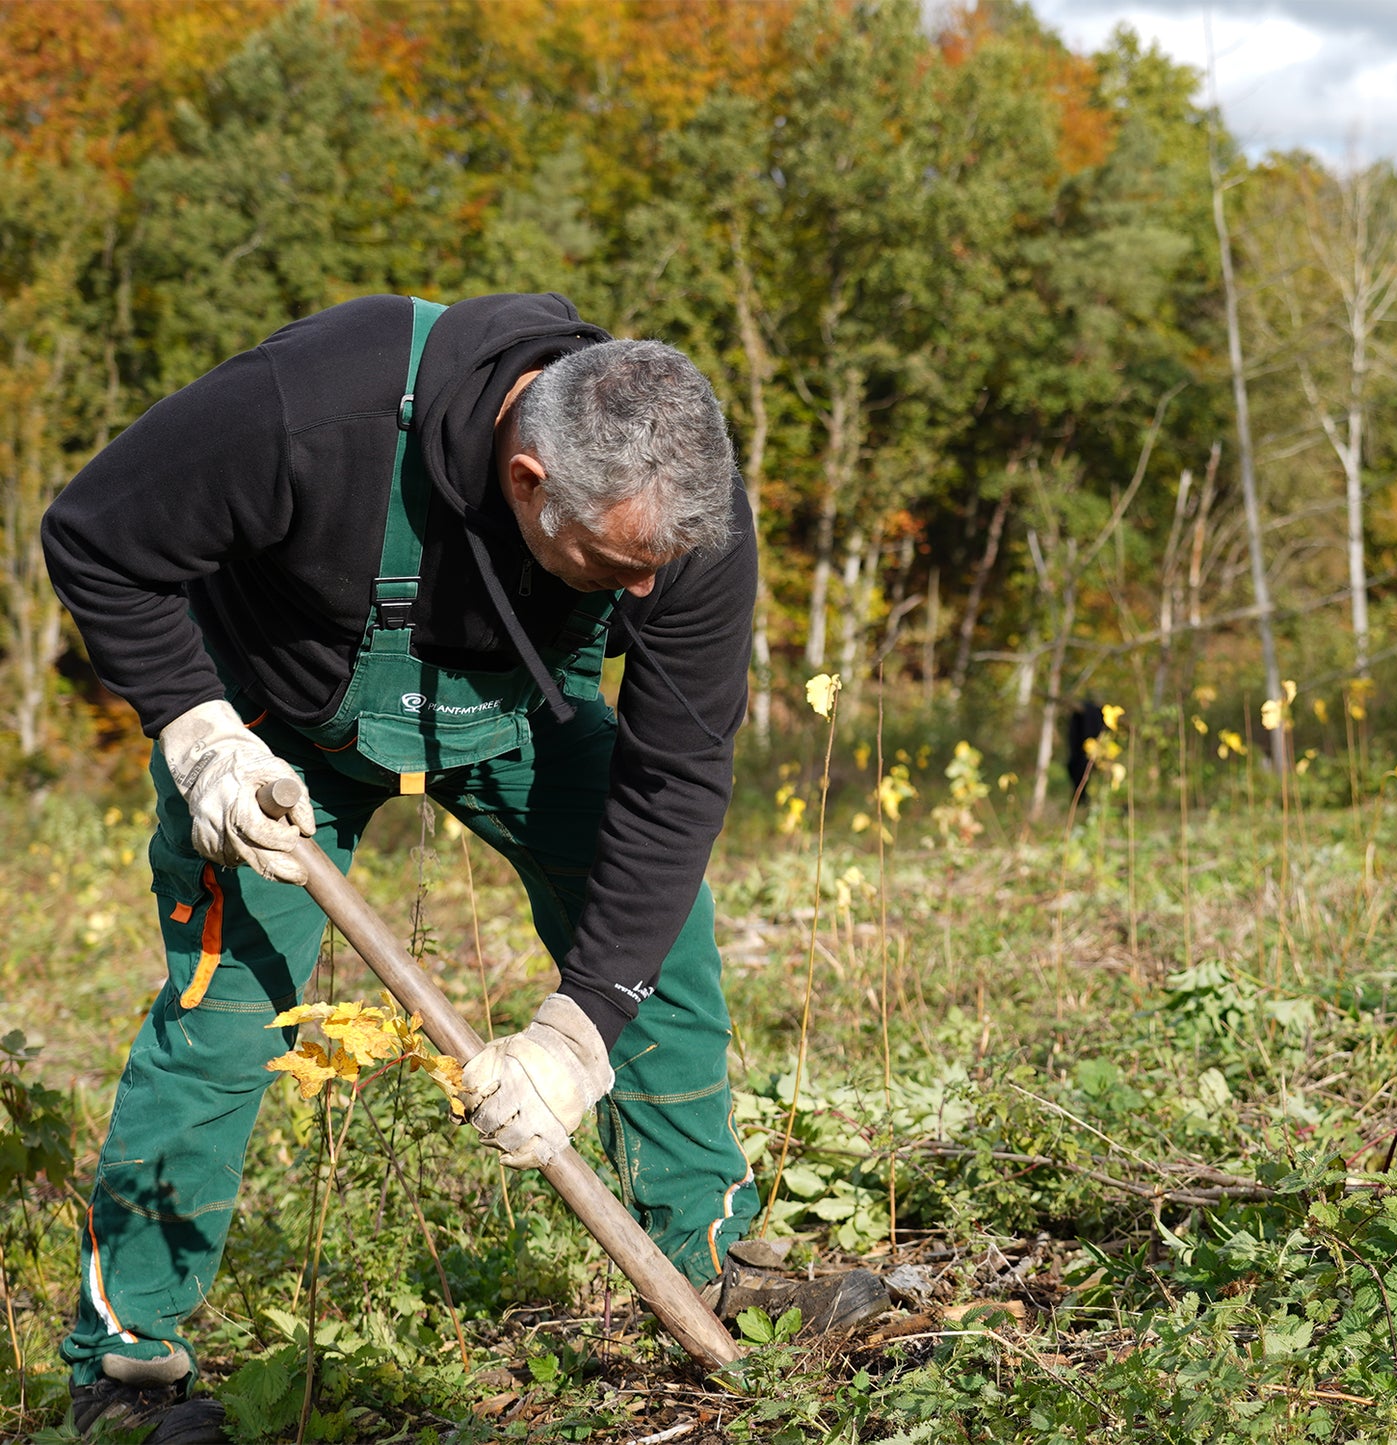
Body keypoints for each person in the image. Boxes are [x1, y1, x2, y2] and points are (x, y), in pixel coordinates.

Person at [43, 293, 885, 1442]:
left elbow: (675, 776)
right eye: (615, 565)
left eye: (657, 567)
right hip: (274, 727)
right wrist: (198, 733)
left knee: (659, 941)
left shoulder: (682, 522)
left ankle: (713, 1258)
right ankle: (124, 1372)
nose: (643, 595)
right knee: (223, 1007)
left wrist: (579, 1031)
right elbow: (93, 533)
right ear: (529, 478)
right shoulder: (307, 413)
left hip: (519, 716)